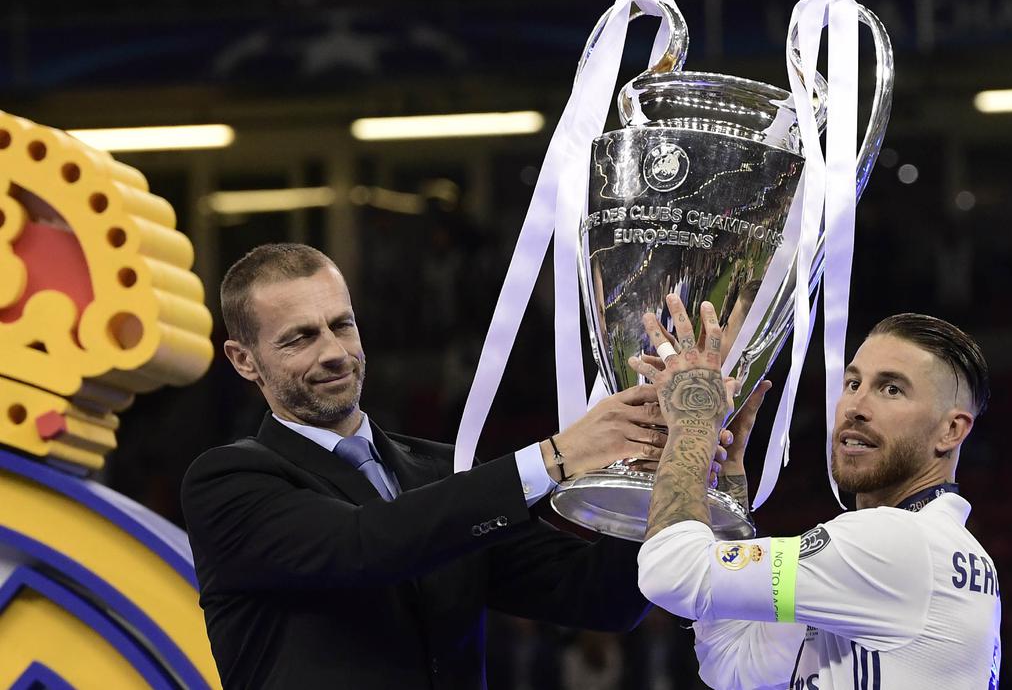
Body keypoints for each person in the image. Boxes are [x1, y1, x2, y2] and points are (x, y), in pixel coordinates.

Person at [181, 243, 676, 689]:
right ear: (244, 360)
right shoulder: (227, 483)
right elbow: (364, 546)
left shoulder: (445, 472)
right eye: (299, 338)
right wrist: (556, 456)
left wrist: (655, 466)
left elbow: (602, 599)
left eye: (341, 324)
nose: (333, 352)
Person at [633, 296, 1002, 689]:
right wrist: (723, 494)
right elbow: (733, 664)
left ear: (951, 431)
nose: (855, 406)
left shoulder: (896, 543)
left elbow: (670, 573)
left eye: (891, 389)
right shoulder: (924, 550)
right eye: (853, 383)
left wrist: (691, 424)